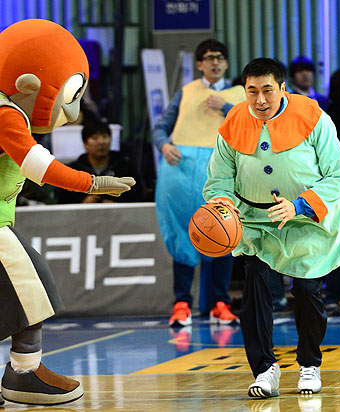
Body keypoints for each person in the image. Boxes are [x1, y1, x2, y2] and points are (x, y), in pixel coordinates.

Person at [203, 58, 340, 397]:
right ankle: (264, 370)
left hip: (307, 218)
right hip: (255, 221)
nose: (260, 100)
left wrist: (299, 205)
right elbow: (218, 180)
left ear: (283, 88)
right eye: (252, 91)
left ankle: (309, 364)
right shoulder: (232, 123)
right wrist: (223, 203)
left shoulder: (314, 117)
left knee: (307, 290)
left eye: (268, 91)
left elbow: (338, 176)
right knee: (255, 285)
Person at [0, 19, 134, 406]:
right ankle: (24, 371)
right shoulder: (6, 115)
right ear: (28, 85)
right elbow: (39, 166)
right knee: (33, 284)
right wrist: (92, 183)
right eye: (70, 97)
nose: (73, 115)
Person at [153, 39, 245, 327]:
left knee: (225, 232)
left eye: (220, 57)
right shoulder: (186, 92)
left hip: (222, 168)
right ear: (199, 64)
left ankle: (220, 303)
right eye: (209, 57)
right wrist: (164, 144)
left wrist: (227, 107)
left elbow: (254, 126)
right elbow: (161, 127)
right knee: (182, 232)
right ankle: (181, 303)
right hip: (181, 170)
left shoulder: (241, 94)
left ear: (226, 63)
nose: (215, 62)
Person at [56, 121, 145, 203]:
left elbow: (139, 198)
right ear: (85, 144)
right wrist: (83, 204)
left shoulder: (126, 168)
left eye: (105, 137)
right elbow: (63, 202)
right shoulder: (74, 170)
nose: (101, 142)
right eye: (95, 138)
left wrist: (117, 205)